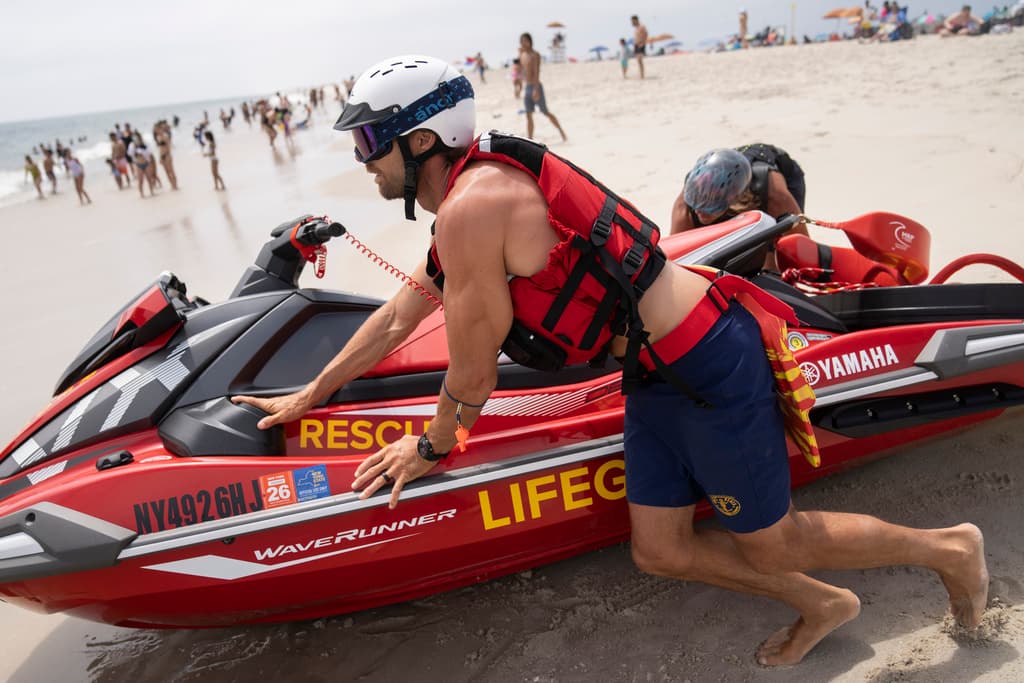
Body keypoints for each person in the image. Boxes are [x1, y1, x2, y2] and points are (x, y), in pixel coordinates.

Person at [232, 53, 990, 668]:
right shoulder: (473, 193)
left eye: (371, 143)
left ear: (421, 140)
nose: (364, 162)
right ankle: (826, 601)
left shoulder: (472, 207)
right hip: (654, 367)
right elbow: (406, 308)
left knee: (776, 537)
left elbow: (472, 377)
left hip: (707, 357)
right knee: (658, 549)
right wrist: (312, 391)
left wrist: (428, 446)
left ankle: (951, 548)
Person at [670, 144, 808, 237]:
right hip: (732, 172)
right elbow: (676, 260)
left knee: (773, 250)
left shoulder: (774, 193)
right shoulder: (686, 204)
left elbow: (802, 246)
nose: (699, 211)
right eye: (697, 201)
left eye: (710, 204)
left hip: (776, 177)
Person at [518, 33, 568, 142]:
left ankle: (561, 131)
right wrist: (520, 87)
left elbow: (536, 72)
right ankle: (530, 140)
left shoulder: (535, 54)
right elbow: (521, 72)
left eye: (525, 40)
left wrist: (536, 89)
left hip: (536, 86)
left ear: (530, 41)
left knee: (545, 112)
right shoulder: (522, 55)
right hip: (527, 87)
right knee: (528, 114)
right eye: (522, 41)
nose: (524, 43)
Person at [154, 122, 178, 190]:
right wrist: (160, 157)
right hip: (162, 156)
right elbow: (160, 149)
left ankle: (175, 185)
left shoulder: (165, 136)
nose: (156, 131)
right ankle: (171, 185)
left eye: (157, 129)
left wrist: (166, 155)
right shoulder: (158, 137)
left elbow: (169, 147)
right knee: (166, 172)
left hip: (167, 155)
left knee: (171, 171)